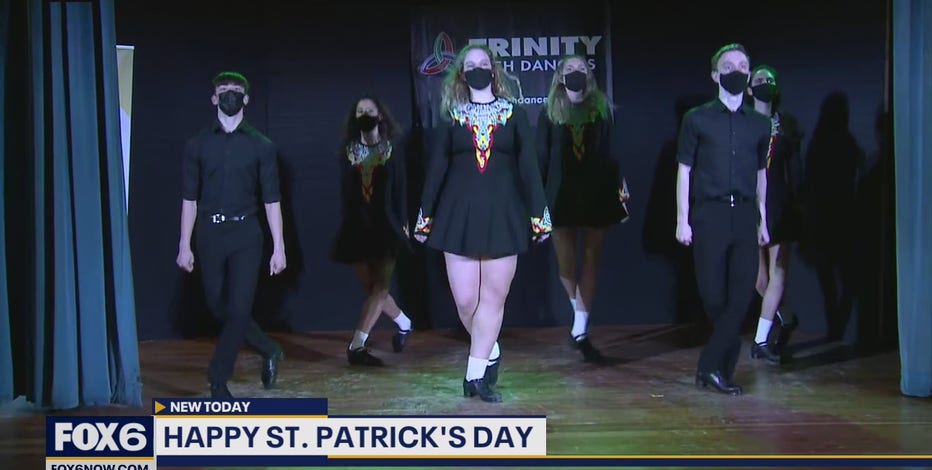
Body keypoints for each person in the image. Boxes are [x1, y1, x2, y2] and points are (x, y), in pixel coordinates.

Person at [415, 44, 551, 402]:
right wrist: (425, 214)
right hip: (456, 215)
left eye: (483, 64)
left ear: (494, 70)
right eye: (470, 65)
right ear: (461, 73)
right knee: (464, 300)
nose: (477, 69)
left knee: (493, 297)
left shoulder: (514, 114)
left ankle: (475, 377)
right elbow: (436, 169)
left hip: (503, 215)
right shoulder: (451, 115)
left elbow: (530, 170)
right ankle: (489, 349)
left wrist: (540, 215)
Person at [176, 71, 286, 399]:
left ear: (246, 99)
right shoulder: (197, 144)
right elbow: (189, 198)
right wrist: (184, 243)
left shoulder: (261, 146)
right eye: (224, 91)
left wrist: (279, 247)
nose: (230, 95)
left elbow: (272, 200)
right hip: (210, 231)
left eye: (236, 91)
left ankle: (217, 379)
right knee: (216, 304)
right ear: (213, 98)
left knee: (238, 309)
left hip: (246, 234)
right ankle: (269, 348)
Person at [675, 44, 771, 395]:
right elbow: (684, 171)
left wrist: (764, 220)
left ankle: (714, 370)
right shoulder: (697, 118)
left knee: (742, 295)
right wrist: (682, 220)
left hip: (745, 214)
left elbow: (762, 175)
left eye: (743, 65)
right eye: (728, 66)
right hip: (709, 213)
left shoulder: (760, 124)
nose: (736, 70)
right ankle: (714, 368)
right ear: (715, 74)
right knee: (714, 297)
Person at [538, 55, 629, 363]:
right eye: (569, 70)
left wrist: (620, 185)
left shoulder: (601, 110)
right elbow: (540, 158)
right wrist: (536, 201)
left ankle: (580, 328)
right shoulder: (549, 112)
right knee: (566, 263)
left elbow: (611, 153)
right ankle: (578, 313)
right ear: (560, 77)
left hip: (596, 192)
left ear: (589, 75)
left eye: (581, 69)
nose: (575, 74)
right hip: (560, 195)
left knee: (591, 260)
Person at [331, 96, 412, 366]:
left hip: (387, 226)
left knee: (380, 288)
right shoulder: (348, 150)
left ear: (380, 115)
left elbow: (401, 188)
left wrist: (405, 224)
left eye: (370, 110)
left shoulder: (392, 149)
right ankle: (404, 323)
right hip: (357, 228)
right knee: (372, 291)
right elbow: (345, 192)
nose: (365, 114)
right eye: (360, 111)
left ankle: (357, 345)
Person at [747, 65, 802, 365]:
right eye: (758, 80)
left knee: (778, 271)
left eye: (769, 79)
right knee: (759, 280)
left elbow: (796, 170)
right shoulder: (741, 123)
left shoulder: (786, 125)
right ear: (748, 88)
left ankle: (760, 341)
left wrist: (797, 205)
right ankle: (788, 318)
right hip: (750, 204)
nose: (764, 84)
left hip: (780, 203)